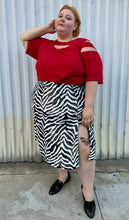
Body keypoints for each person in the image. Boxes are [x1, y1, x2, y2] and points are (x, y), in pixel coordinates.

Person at [20, 4, 103, 218]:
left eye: (68, 18)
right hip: (45, 105)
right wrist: (47, 29)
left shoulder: (82, 44)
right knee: (54, 144)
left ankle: (87, 192)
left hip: (74, 106)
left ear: (75, 26)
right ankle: (63, 176)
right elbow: (24, 37)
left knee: (83, 148)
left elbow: (93, 75)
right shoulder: (44, 45)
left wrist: (88, 107)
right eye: (60, 16)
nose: (62, 19)